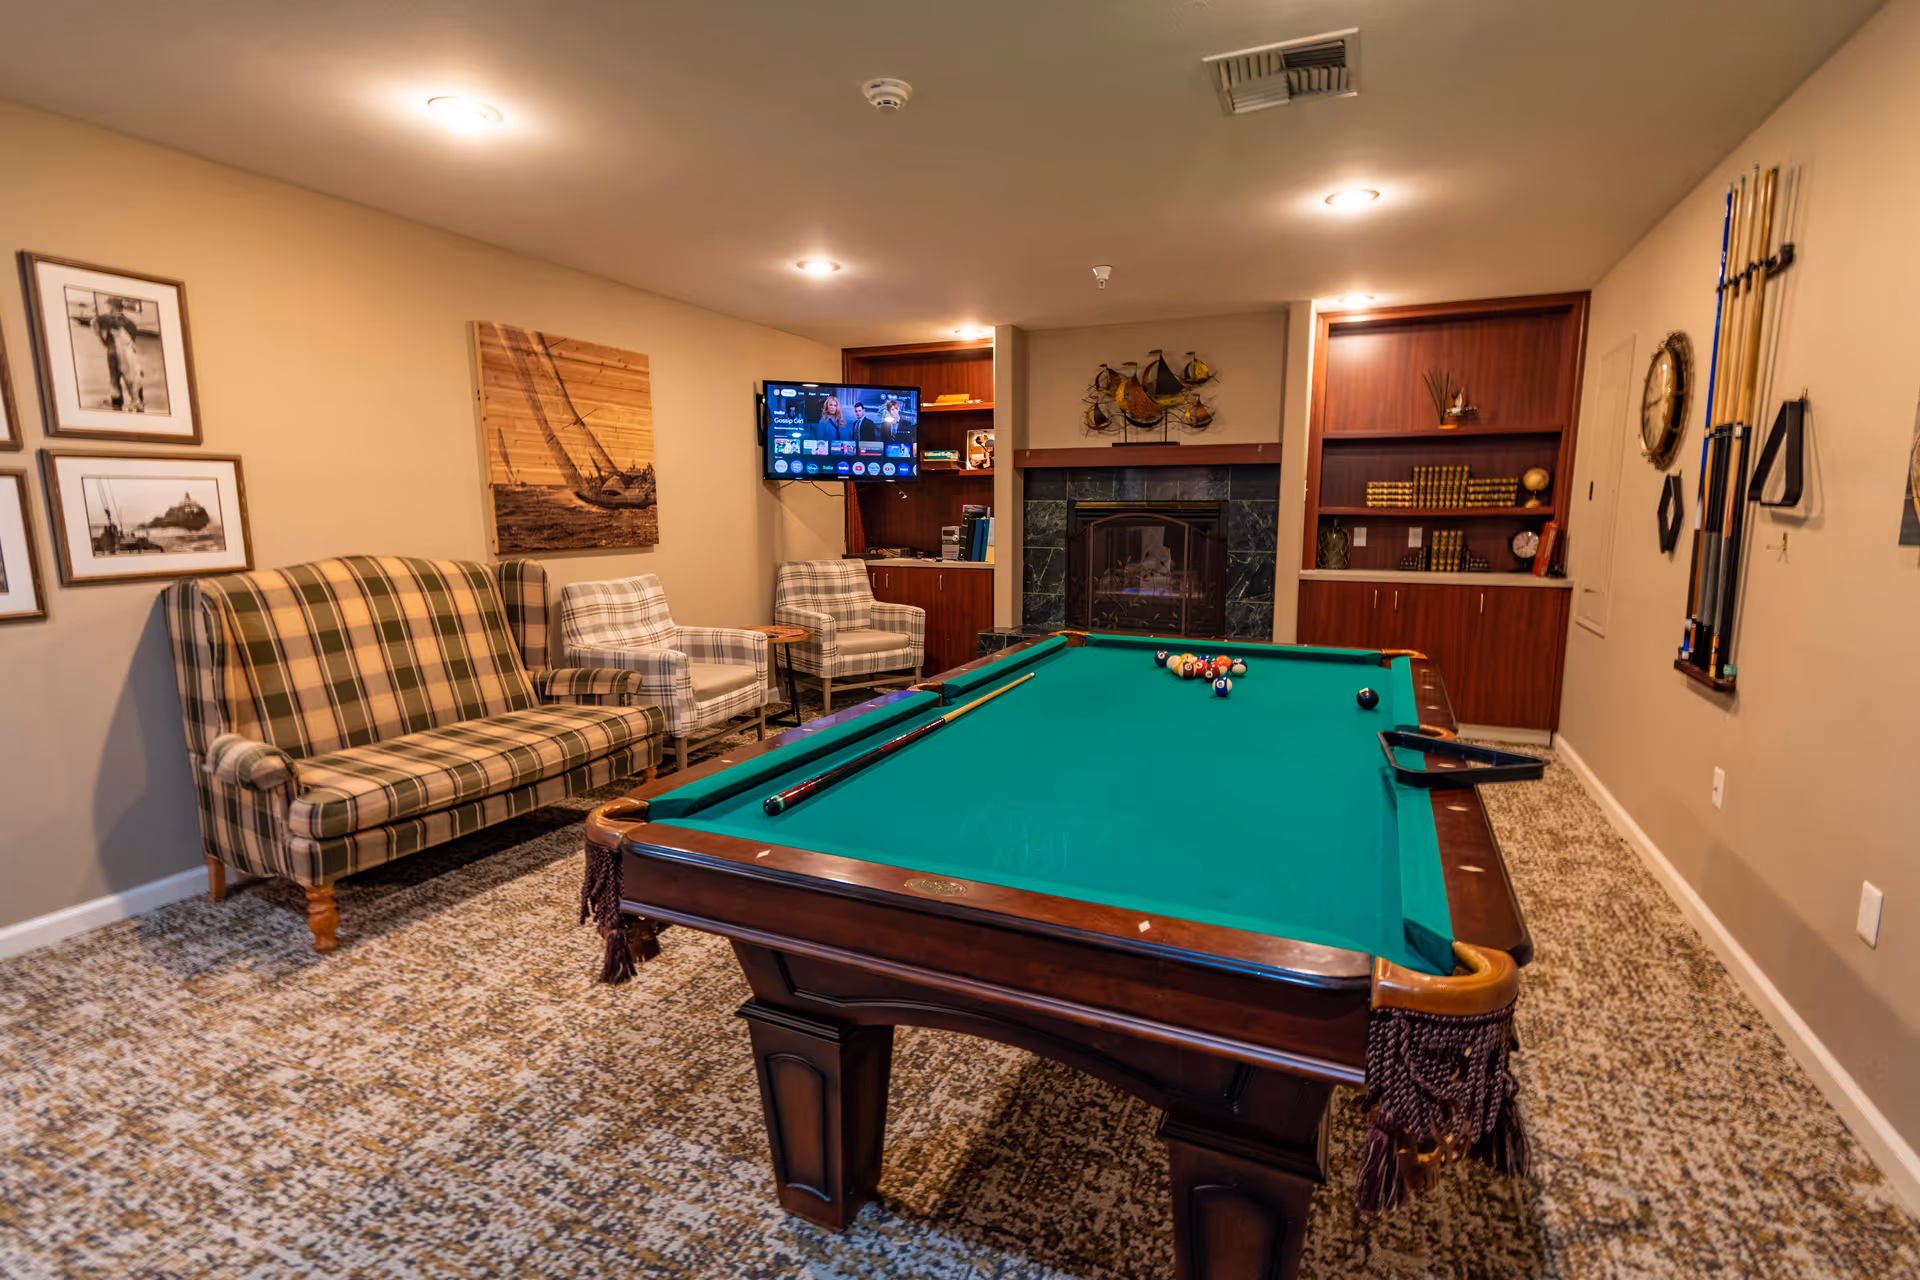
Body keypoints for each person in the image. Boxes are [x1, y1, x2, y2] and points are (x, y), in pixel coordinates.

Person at [94, 297, 145, 412]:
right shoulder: (131, 323)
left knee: (115, 381)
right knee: (133, 377)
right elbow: (133, 342)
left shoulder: (105, 319)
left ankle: (117, 406)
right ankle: (139, 402)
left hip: (112, 353)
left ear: (112, 306)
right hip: (128, 353)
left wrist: (104, 342)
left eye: (109, 305)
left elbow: (96, 326)